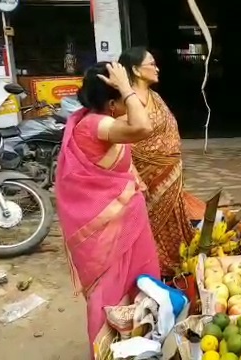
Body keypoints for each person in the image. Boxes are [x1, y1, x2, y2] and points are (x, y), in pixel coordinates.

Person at [55, 62, 160, 358]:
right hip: (108, 230)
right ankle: (107, 351)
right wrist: (127, 87)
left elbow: (118, 160)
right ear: (112, 104)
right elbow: (143, 126)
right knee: (110, 292)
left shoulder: (99, 121)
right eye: (125, 96)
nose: (134, 100)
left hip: (126, 221)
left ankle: (137, 344)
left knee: (135, 285)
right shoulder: (94, 124)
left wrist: (134, 177)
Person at [118, 47, 204, 279]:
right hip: (146, 174)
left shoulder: (155, 97)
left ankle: (177, 262)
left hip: (170, 171)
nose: (156, 68)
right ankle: (153, 266)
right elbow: (122, 140)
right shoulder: (127, 102)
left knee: (175, 217)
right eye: (151, 63)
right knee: (151, 221)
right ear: (136, 69)